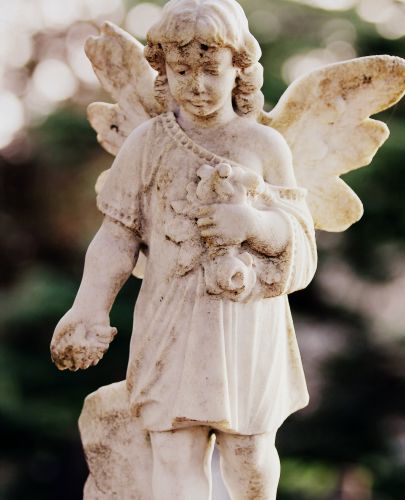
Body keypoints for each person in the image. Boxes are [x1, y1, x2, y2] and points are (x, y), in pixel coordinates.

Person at [51, 0, 317, 498]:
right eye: (181, 70)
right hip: (170, 315)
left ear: (239, 69)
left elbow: (299, 238)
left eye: (210, 70)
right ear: (163, 70)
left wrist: (251, 224)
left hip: (245, 321)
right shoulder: (147, 144)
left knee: (249, 454)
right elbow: (117, 234)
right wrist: (88, 306)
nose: (196, 85)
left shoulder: (264, 147)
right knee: (173, 450)